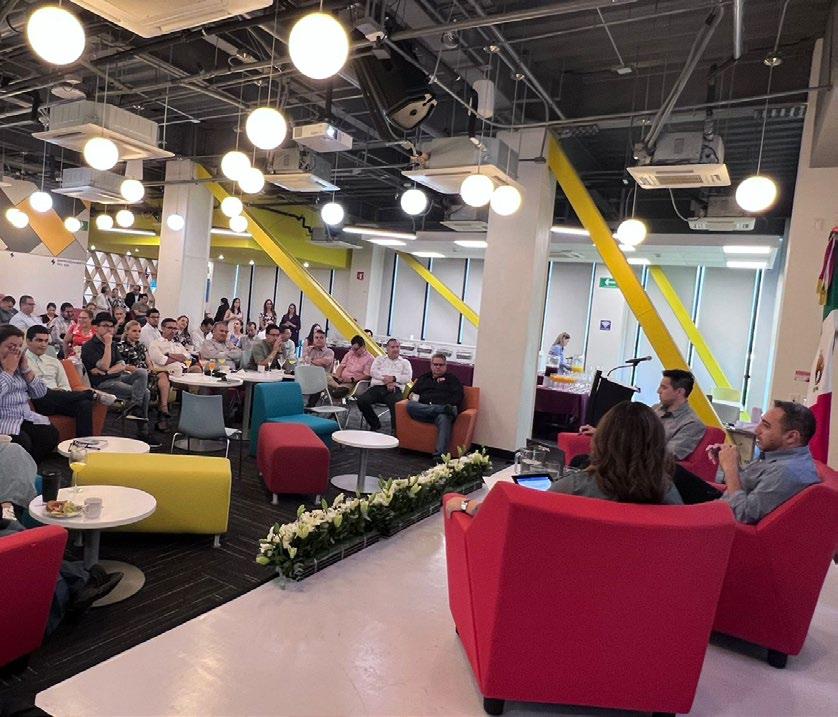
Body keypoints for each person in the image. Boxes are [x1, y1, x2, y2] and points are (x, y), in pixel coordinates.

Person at [446, 402, 682, 518]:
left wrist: (467, 505)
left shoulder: (576, 488)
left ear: (603, 440)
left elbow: (516, 517)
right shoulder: (669, 494)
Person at [706, 401, 820, 524]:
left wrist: (731, 469)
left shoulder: (785, 472)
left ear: (791, 437)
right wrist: (729, 460)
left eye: (766, 426)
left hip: (720, 523)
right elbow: (746, 487)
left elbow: (742, 515)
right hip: (721, 505)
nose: (756, 430)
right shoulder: (777, 455)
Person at [579, 369, 705, 462]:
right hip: (627, 458)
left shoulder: (692, 424)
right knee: (582, 460)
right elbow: (630, 431)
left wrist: (627, 448)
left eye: (664, 387)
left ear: (679, 392)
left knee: (588, 462)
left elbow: (668, 454)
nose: (658, 391)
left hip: (647, 468)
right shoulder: (656, 409)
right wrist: (603, 432)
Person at [25, 325, 115, 437]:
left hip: (59, 399)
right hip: (38, 400)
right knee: (44, 392)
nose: (43, 345)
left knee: (84, 404)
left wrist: (61, 391)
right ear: (28, 341)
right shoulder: (22, 362)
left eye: (46, 341)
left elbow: (65, 385)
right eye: (39, 340)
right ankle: (91, 394)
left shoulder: (54, 362)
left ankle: (84, 442)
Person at [81, 313, 151, 440]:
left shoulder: (113, 344)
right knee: (145, 392)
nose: (109, 329)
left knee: (142, 372)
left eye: (111, 326)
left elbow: (121, 365)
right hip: (102, 384)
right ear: (96, 327)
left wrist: (108, 371)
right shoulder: (89, 346)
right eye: (105, 326)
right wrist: (107, 345)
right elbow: (104, 365)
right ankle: (143, 431)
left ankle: (135, 405)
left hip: (115, 377)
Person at [0, 324, 60, 464]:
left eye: (19, 346)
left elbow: (40, 393)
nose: (15, 351)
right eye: (11, 346)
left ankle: (29, 468)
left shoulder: (19, 367)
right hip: (4, 420)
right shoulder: (9, 368)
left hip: (22, 416)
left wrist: (26, 370)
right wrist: (8, 371)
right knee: (22, 442)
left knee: (50, 434)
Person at [406, 353, 465, 458]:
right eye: (435, 364)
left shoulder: (452, 379)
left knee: (444, 418)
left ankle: (439, 455)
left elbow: (458, 397)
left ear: (445, 366)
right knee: (410, 406)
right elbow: (411, 395)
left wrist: (446, 404)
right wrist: (417, 398)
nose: (438, 367)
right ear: (431, 365)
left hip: (440, 415)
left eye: (441, 365)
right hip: (424, 412)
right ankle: (441, 409)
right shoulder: (424, 378)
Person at [147, 318, 200, 428]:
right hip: (164, 372)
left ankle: (193, 405)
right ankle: (164, 408)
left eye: (175, 328)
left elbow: (188, 357)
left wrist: (170, 355)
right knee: (163, 377)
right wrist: (178, 358)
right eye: (170, 328)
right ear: (163, 328)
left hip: (181, 372)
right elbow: (162, 360)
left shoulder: (177, 344)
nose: (173, 331)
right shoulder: (155, 344)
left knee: (197, 369)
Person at [357, 338, 412, 432]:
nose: (395, 349)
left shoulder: (405, 362)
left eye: (397, 347)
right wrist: (387, 380)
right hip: (377, 388)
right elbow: (373, 372)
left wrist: (394, 378)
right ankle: (375, 424)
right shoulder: (379, 359)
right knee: (361, 400)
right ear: (387, 348)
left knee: (397, 406)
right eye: (393, 347)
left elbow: (407, 377)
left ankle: (395, 431)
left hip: (394, 389)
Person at [330, 334, 373, 398]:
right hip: (340, 379)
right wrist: (337, 377)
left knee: (340, 389)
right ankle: (338, 386)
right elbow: (341, 366)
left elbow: (367, 376)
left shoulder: (369, 359)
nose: (354, 351)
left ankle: (338, 388)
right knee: (323, 376)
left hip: (352, 382)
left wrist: (352, 380)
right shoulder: (350, 353)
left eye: (356, 349)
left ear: (363, 347)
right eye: (353, 349)